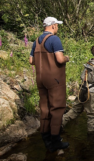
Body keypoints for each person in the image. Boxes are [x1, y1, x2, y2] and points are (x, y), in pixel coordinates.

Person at [29, 17, 70, 152]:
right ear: (52, 26)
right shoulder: (54, 39)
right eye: (57, 25)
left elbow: (31, 61)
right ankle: (56, 140)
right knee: (57, 108)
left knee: (45, 108)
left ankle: (46, 139)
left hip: (40, 79)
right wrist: (66, 58)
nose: (57, 28)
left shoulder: (36, 41)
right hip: (54, 80)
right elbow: (59, 59)